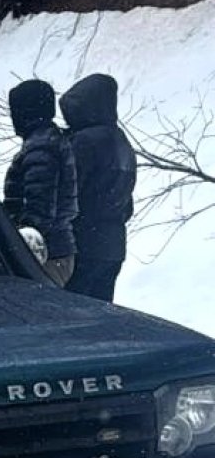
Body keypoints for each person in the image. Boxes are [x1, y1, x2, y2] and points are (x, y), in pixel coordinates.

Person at [59, 74, 137, 301]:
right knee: (99, 314)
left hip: (83, 241)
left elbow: (68, 191)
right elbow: (127, 203)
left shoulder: (84, 142)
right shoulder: (121, 141)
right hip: (113, 244)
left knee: (70, 313)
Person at [3, 79, 79, 286]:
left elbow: (40, 209)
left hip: (45, 254)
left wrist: (20, 245)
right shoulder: (47, 141)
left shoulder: (42, 147)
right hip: (52, 250)